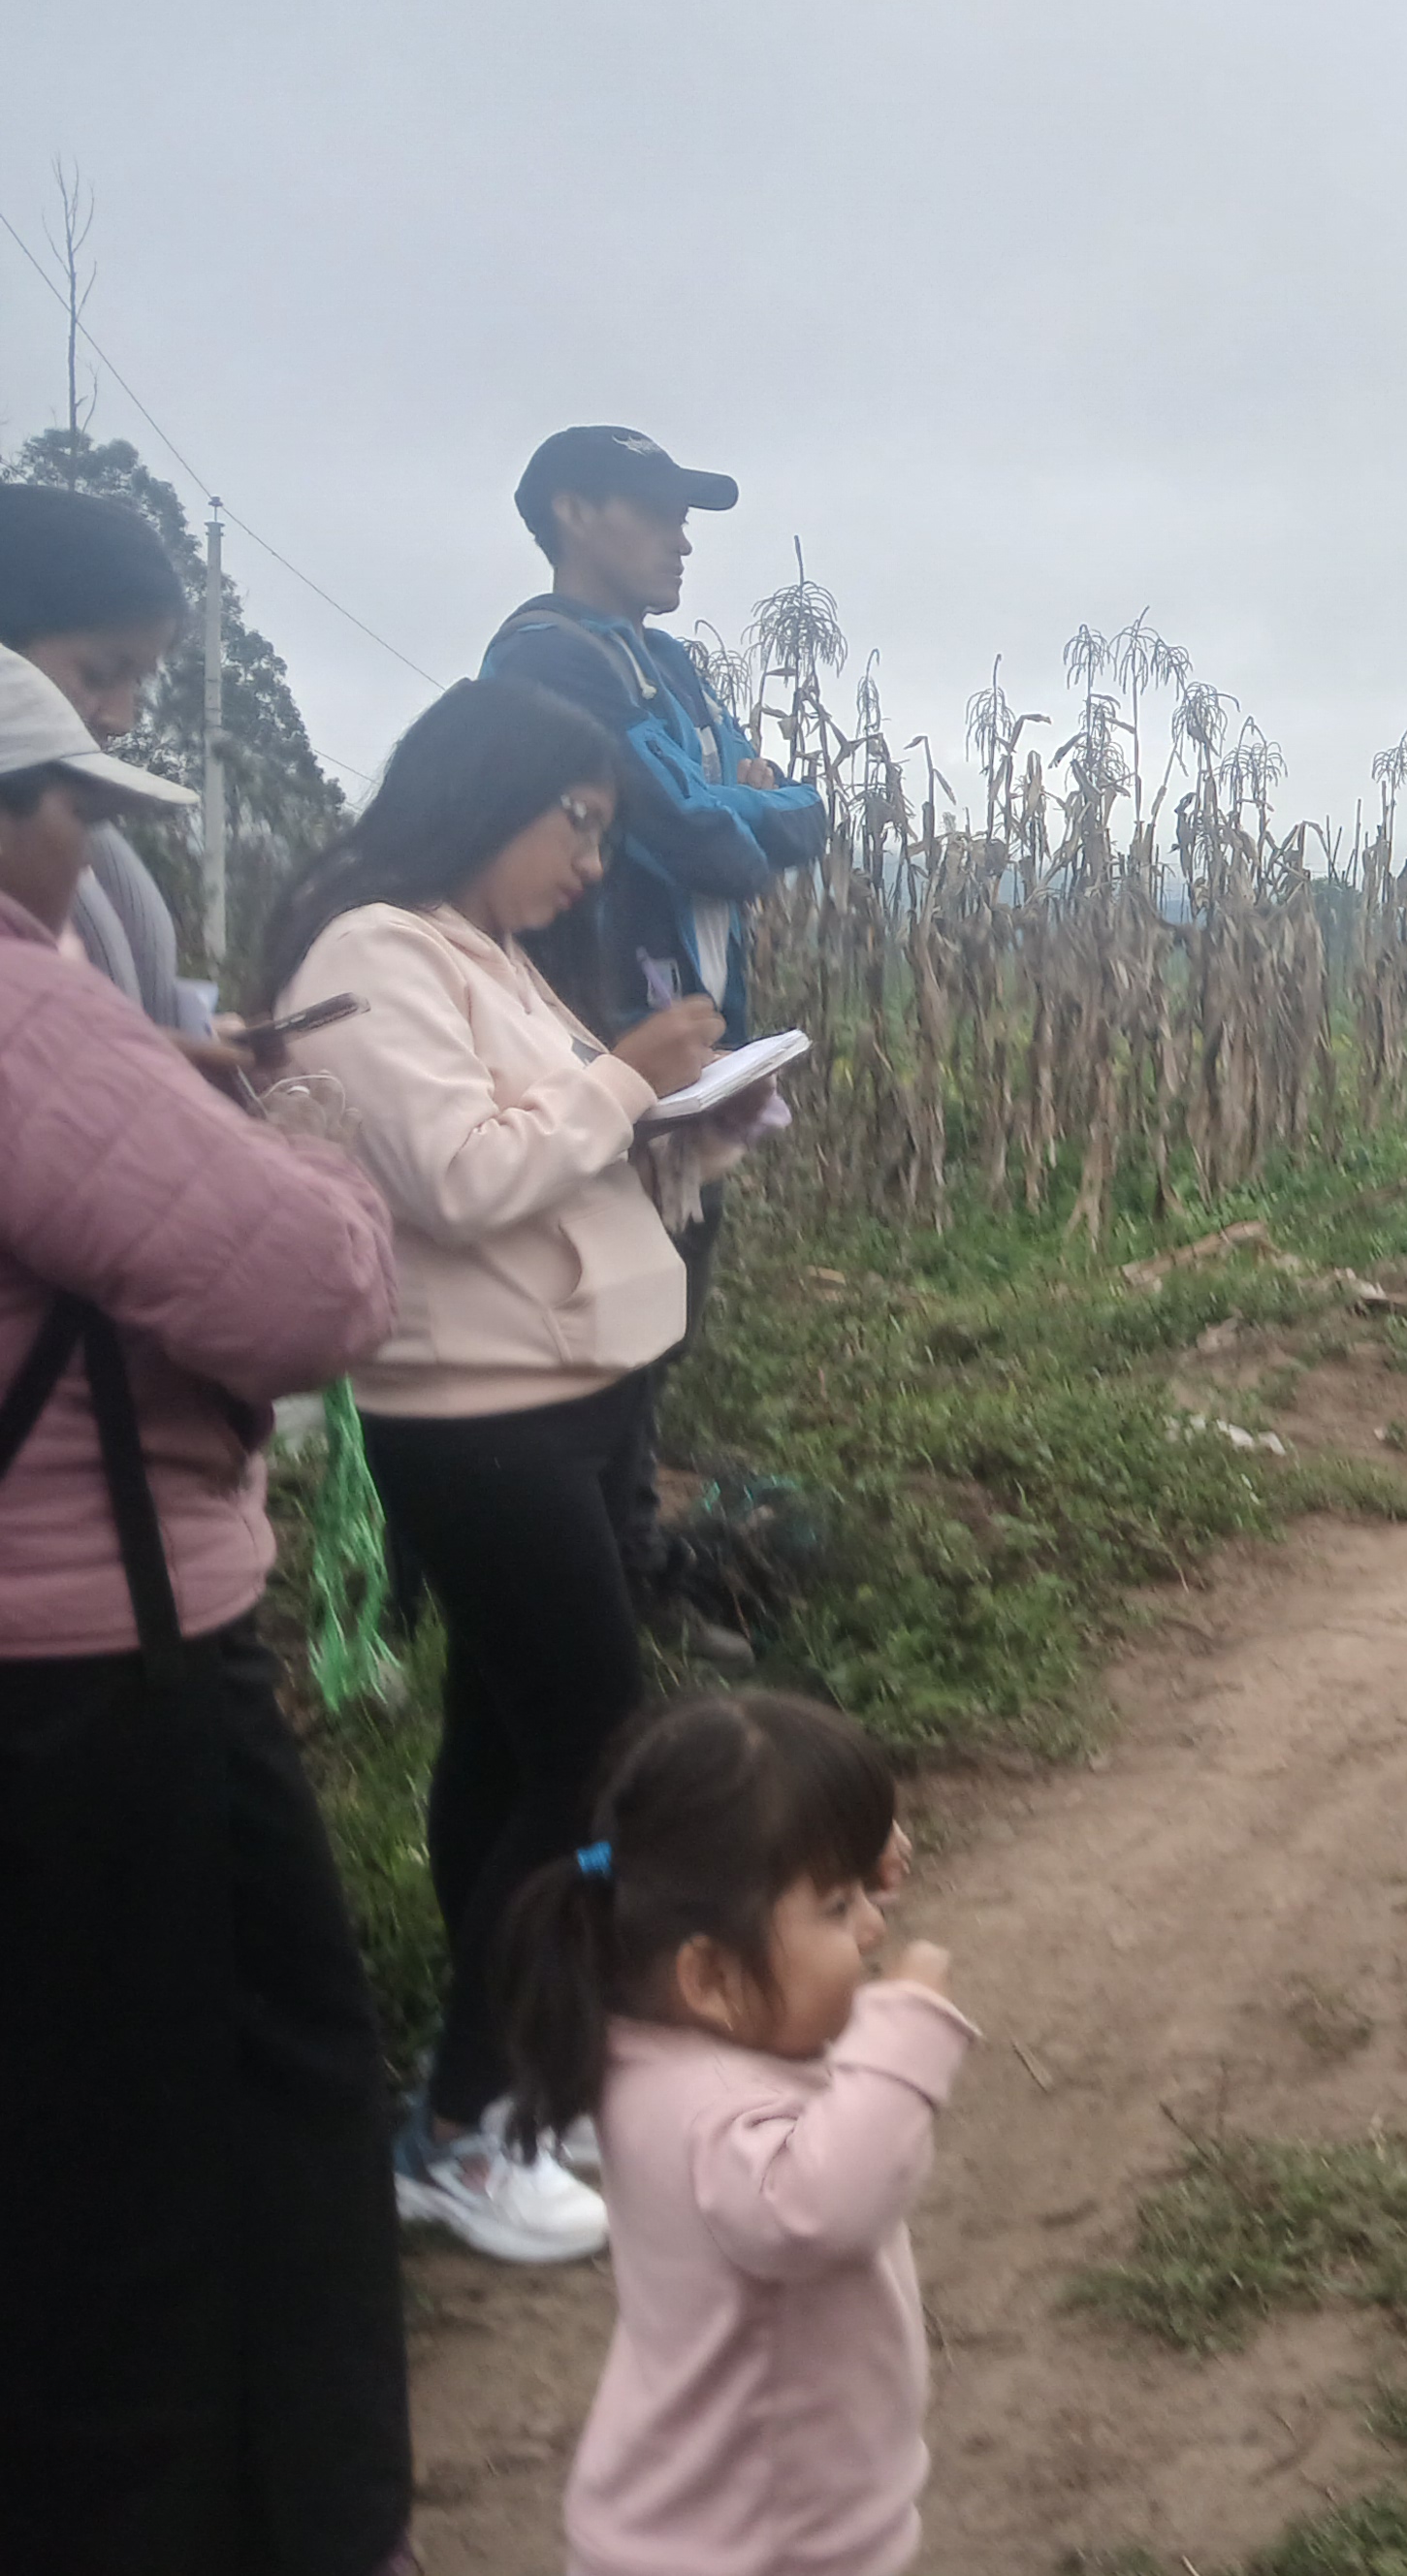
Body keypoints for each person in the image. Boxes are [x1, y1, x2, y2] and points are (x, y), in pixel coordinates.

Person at [0, 651, 416, 2573]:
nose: (93, 856)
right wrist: (301, 1133)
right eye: (76, 808)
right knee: (204, 2135)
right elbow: (305, 1293)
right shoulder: (27, 1011)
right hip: (93, 1671)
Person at [260, 677, 728, 2264]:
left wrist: (683, 1123)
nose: (591, 865)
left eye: (602, 834)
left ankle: (531, 2061)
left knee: (507, 1750)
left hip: (573, 1387)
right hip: (476, 1414)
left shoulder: (486, 953)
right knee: (593, 1758)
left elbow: (551, 1146)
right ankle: (463, 2128)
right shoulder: (370, 954)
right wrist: (627, 1077)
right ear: (480, 792)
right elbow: (462, 1176)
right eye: (576, 824)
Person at [482, 426, 822, 1663]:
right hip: (598, 1029)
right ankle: (602, 1590)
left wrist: (749, 801)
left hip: (692, 1042)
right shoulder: (547, 661)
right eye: (658, 510)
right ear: (574, 512)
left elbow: (765, 802)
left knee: (663, 1300)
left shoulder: (662, 665)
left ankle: (624, 1561)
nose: (683, 539)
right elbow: (695, 824)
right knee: (610, 1310)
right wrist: (752, 803)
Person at [497, 1690, 973, 2576]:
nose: (875, 1927)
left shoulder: (653, 2046)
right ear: (711, 1976)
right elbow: (821, 2207)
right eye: (838, 1907)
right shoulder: (712, 2112)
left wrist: (836, 1855)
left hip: (716, 2532)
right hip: (750, 2549)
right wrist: (907, 2022)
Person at [0, 482, 256, 1084]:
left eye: (137, 681)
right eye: (98, 674)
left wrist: (189, 1038)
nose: (121, 718)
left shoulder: (93, 847)